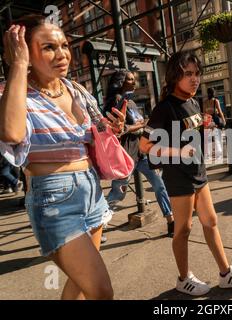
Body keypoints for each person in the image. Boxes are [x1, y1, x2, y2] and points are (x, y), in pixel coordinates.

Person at [0, 15, 126, 299]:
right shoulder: (16, 93)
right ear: (25, 51)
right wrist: (18, 66)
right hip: (55, 201)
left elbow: (96, 132)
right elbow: (11, 133)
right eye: (48, 47)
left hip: (91, 190)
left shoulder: (75, 89)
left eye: (65, 45)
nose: (62, 54)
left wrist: (114, 128)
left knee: (82, 285)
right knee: (102, 290)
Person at [139, 51, 232, 296]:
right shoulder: (165, 108)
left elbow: (186, 132)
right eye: (188, 74)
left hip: (198, 173)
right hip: (178, 177)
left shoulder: (191, 101)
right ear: (174, 76)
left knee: (211, 222)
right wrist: (178, 152)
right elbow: (144, 146)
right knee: (183, 230)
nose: (195, 79)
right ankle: (183, 279)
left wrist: (202, 124)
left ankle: (225, 274)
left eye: (197, 73)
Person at [104, 70, 174, 236]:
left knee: (159, 185)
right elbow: (120, 129)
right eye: (130, 79)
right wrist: (138, 125)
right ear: (120, 82)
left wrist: (137, 125)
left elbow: (139, 123)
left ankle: (171, 221)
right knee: (117, 194)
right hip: (125, 156)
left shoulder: (131, 103)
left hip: (141, 153)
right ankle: (98, 227)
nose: (134, 82)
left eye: (134, 79)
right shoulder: (116, 101)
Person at [203, 88, 226, 163]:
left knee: (208, 139)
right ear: (214, 93)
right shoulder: (215, 101)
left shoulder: (205, 102)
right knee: (217, 138)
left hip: (207, 120)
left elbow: (204, 113)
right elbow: (220, 111)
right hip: (215, 121)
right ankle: (218, 155)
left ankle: (208, 155)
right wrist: (223, 120)